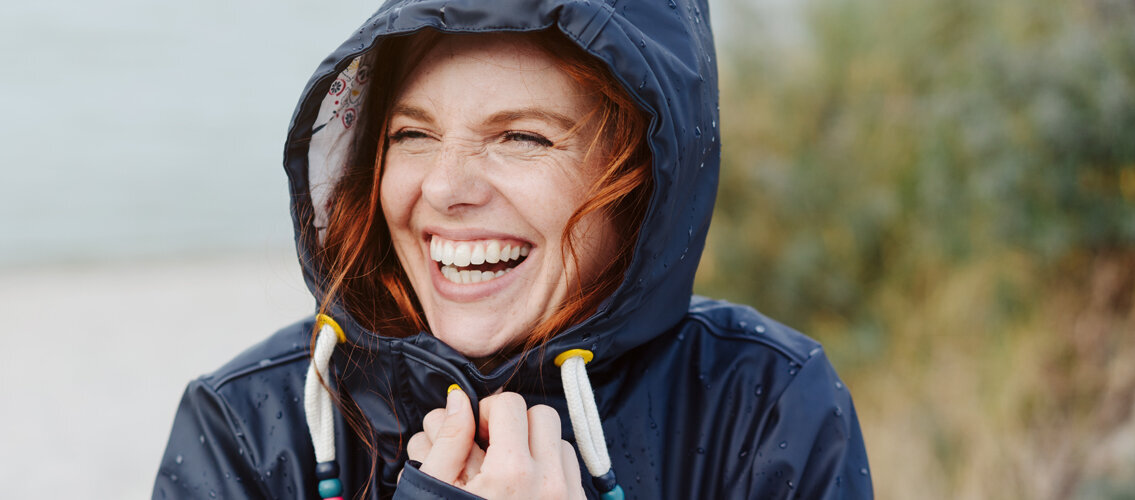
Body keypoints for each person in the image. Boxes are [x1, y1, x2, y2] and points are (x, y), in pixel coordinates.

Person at [153, 0, 872, 498]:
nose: (445, 187)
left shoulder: (765, 408)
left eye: (522, 137)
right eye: (412, 134)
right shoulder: (250, 426)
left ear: (645, 178)